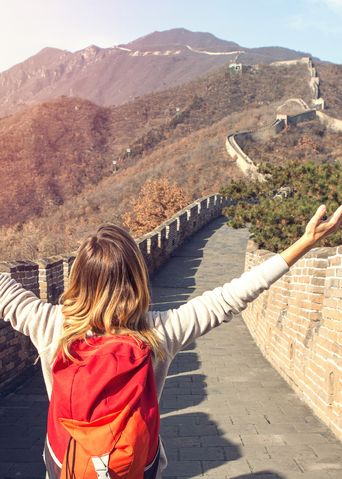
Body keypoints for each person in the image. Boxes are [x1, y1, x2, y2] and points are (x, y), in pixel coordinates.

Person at [0, 203, 341, 478]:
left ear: (79, 278)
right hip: (133, 466)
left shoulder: (52, 327)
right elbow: (232, 297)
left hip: (69, 466)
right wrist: (304, 243)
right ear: (137, 278)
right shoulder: (159, 334)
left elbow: (4, 290)